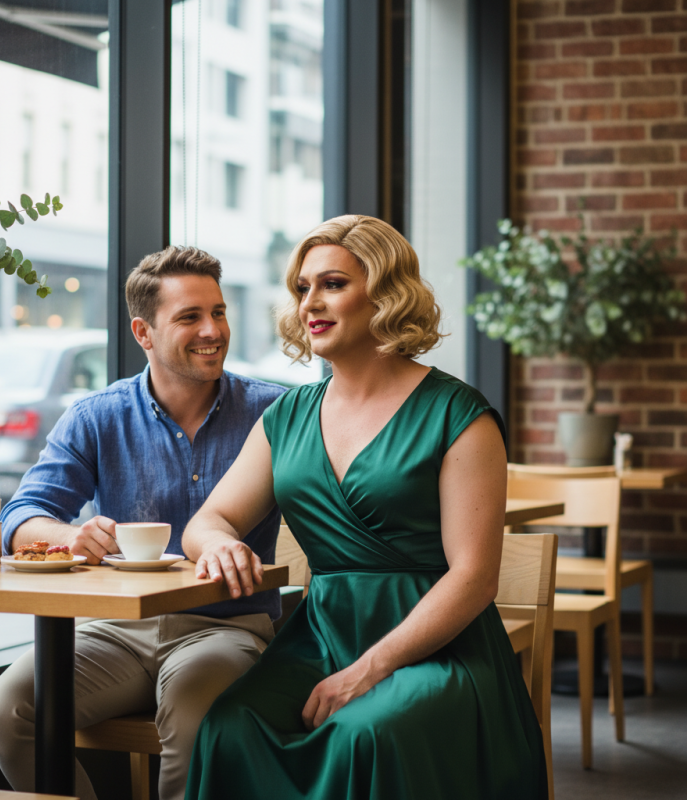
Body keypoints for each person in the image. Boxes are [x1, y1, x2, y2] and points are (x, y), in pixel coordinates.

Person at [180, 216, 548, 799]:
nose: (310, 303)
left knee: (364, 735)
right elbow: (207, 522)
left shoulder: (459, 414)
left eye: (332, 284)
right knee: (230, 726)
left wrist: (369, 671)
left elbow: (475, 578)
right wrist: (220, 542)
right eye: (303, 288)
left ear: (384, 291)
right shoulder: (286, 417)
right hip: (319, 638)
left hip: (438, 647)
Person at [0, 246, 286, 800]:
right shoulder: (97, 416)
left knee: (197, 726)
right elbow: (20, 518)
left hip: (225, 627)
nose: (212, 330)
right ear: (143, 333)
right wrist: (70, 536)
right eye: (190, 317)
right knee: (6, 711)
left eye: (218, 312)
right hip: (113, 631)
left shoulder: (275, 413)